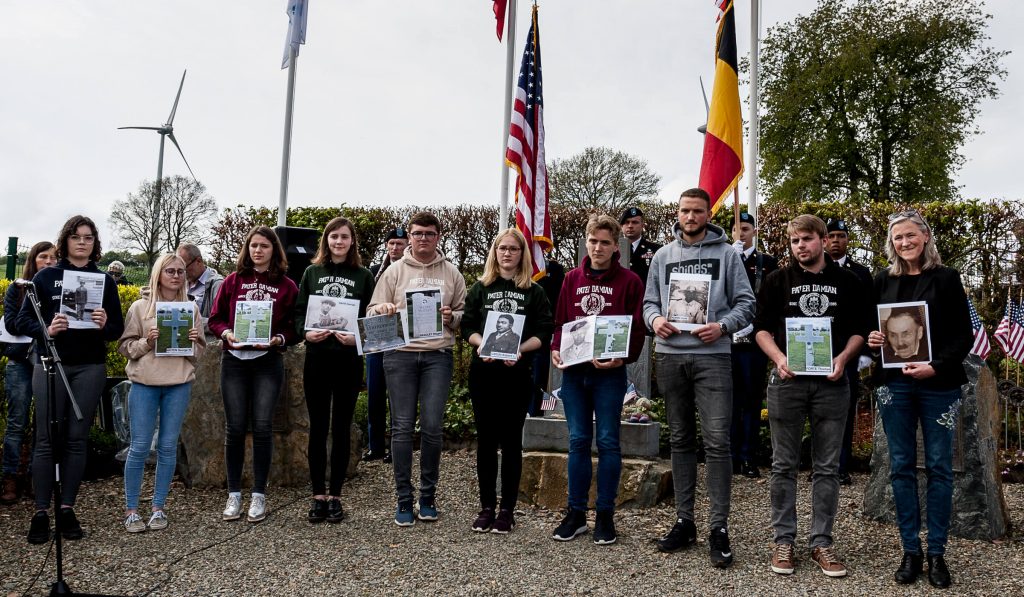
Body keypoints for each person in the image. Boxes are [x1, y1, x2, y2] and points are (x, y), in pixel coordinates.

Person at [753, 214, 870, 579]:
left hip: (832, 382)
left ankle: (822, 541)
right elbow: (760, 330)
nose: (800, 246)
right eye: (794, 241)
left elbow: (860, 331)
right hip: (788, 382)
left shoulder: (848, 281)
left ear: (821, 240)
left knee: (827, 467)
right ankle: (783, 539)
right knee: (783, 465)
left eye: (806, 239)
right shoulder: (776, 281)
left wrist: (843, 358)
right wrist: (779, 358)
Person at [643, 188, 755, 567]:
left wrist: (723, 326)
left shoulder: (728, 255)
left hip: (713, 358)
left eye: (698, 211)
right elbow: (648, 303)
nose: (690, 217)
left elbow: (747, 304)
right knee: (679, 439)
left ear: (709, 214)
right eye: (685, 211)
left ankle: (719, 527)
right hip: (671, 356)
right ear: (677, 213)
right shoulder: (662, 256)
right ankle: (684, 520)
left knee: (718, 441)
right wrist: (655, 320)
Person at [866, 210, 972, 589]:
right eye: (898, 238)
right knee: (900, 465)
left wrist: (935, 367)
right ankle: (910, 550)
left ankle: (938, 552)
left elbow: (964, 335)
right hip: (893, 386)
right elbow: (869, 330)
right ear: (891, 243)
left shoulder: (946, 279)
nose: (905, 242)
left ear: (926, 237)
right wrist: (873, 339)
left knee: (941, 467)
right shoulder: (882, 281)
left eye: (911, 235)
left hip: (937, 385)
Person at [15, 215, 124, 544]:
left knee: (77, 439)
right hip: (50, 364)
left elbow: (117, 330)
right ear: (65, 240)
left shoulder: (104, 280)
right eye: (76, 236)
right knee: (47, 439)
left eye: (88, 237)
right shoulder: (46, 277)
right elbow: (22, 321)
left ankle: (66, 508)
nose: (82, 242)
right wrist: (47, 328)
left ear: (95, 243)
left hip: (89, 366)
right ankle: (40, 512)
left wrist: (105, 323)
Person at [550, 214, 645, 546]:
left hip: (609, 375)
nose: (598, 247)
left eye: (605, 242)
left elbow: (637, 327)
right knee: (577, 441)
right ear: (586, 241)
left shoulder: (630, 281)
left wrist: (624, 356)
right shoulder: (572, 278)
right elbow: (561, 321)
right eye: (593, 241)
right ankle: (576, 513)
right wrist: (555, 349)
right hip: (575, 373)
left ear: (615, 244)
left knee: (607, 442)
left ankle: (605, 515)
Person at [367, 212, 466, 526]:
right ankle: (403, 498)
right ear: (409, 237)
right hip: (400, 356)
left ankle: (428, 496)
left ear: (439, 237)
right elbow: (372, 311)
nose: (423, 238)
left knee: (433, 426)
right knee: (402, 427)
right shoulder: (394, 272)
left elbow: (465, 312)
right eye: (418, 233)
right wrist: (382, 309)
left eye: (429, 233)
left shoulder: (452, 273)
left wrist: (453, 317)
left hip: (437, 355)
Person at [462, 228, 552, 533]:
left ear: (522, 253)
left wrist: (520, 350)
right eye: (502, 248)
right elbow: (468, 327)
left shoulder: (534, 292)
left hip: (516, 374)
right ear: (495, 251)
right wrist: (481, 344)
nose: (507, 253)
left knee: (512, 442)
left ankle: (506, 509)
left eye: (514, 248)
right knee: (486, 441)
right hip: (484, 373)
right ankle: (487, 506)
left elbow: (544, 332)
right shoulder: (480, 288)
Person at [207, 226, 298, 524]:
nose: (258, 251)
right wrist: (227, 332)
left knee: (262, 427)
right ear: (247, 250)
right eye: (253, 246)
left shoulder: (286, 286)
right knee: (234, 428)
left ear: (274, 250)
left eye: (264, 246)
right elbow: (215, 318)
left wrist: (278, 340)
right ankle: (234, 493)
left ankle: (259, 494)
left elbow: (293, 327)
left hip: (266, 361)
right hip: (234, 359)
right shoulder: (233, 281)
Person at [294, 217, 374, 524]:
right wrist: (305, 332)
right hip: (317, 358)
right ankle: (318, 496)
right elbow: (300, 312)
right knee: (317, 427)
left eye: (344, 237)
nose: (338, 242)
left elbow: (372, 317)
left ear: (352, 241)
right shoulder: (312, 273)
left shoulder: (364, 276)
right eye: (333, 237)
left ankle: (336, 495)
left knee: (341, 428)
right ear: (325, 241)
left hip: (348, 360)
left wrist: (358, 337)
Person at [118, 253, 205, 532]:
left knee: (168, 447)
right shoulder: (140, 307)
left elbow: (198, 353)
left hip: (178, 383)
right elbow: (126, 347)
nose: (176, 276)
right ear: (158, 273)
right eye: (170, 271)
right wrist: (147, 341)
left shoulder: (191, 309)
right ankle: (132, 509)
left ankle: (158, 507)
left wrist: (191, 343)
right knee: (140, 447)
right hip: (144, 383)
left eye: (180, 271)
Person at [1, 242, 57, 505]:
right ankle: (10, 477)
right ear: (33, 260)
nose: (48, 262)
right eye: (42, 257)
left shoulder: (58, 289)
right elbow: (13, 323)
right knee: (16, 423)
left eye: (53, 258)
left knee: (43, 425)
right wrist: (45, 325)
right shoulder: (18, 288)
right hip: (20, 362)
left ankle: (37, 477)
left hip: (46, 360)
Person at [728, 212, 778, 479]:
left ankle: (747, 456)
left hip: (755, 341)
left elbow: (771, 300)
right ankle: (729, 455)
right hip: (726, 341)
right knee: (729, 401)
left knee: (751, 400)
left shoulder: (767, 263)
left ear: (754, 231)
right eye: (736, 229)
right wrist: (730, 259)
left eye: (745, 229)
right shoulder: (725, 258)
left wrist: (757, 325)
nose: (740, 234)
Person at [826, 217, 873, 485]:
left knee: (845, 409)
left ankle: (841, 466)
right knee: (818, 411)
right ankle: (822, 464)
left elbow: (868, 313)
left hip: (850, 352)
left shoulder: (861, 273)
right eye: (831, 236)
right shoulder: (815, 269)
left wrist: (866, 350)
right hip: (819, 351)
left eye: (840, 236)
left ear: (847, 240)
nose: (835, 241)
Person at [363, 228, 409, 462]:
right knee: (375, 393)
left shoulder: (408, 271)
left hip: (400, 338)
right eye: (391, 243)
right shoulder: (372, 272)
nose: (395, 248)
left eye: (400, 244)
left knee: (397, 395)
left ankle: (395, 446)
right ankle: (375, 446)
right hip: (376, 336)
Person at [177, 243, 224, 337]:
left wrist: (189, 321)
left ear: (198, 261)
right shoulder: (181, 283)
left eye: (184, 268)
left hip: (207, 346)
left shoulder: (217, 284)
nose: (181, 274)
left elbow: (221, 322)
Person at [620, 206, 662, 284]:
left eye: (635, 222)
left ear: (642, 225)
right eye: (626, 222)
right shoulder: (613, 249)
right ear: (621, 226)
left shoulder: (656, 249)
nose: (630, 226)